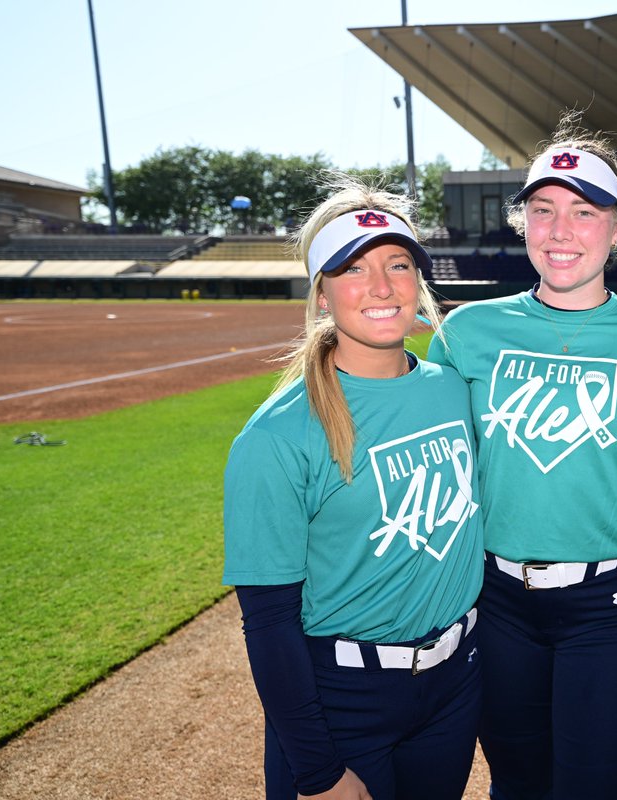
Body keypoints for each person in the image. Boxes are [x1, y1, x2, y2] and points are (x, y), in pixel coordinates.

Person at [427, 117, 617, 800]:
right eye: (542, 210)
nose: (560, 229)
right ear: (524, 224)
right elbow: (441, 463)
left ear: (616, 228)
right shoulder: (467, 333)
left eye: (583, 211)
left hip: (611, 602)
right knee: (516, 784)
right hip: (496, 600)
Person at [223, 177, 486, 800]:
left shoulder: (452, 389)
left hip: (452, 690)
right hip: (343, 705)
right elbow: (268, 622)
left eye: (398, 264)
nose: (381, 286)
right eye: (352, 269)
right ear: (321, 293)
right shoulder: (278, 436)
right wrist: (315, 770)